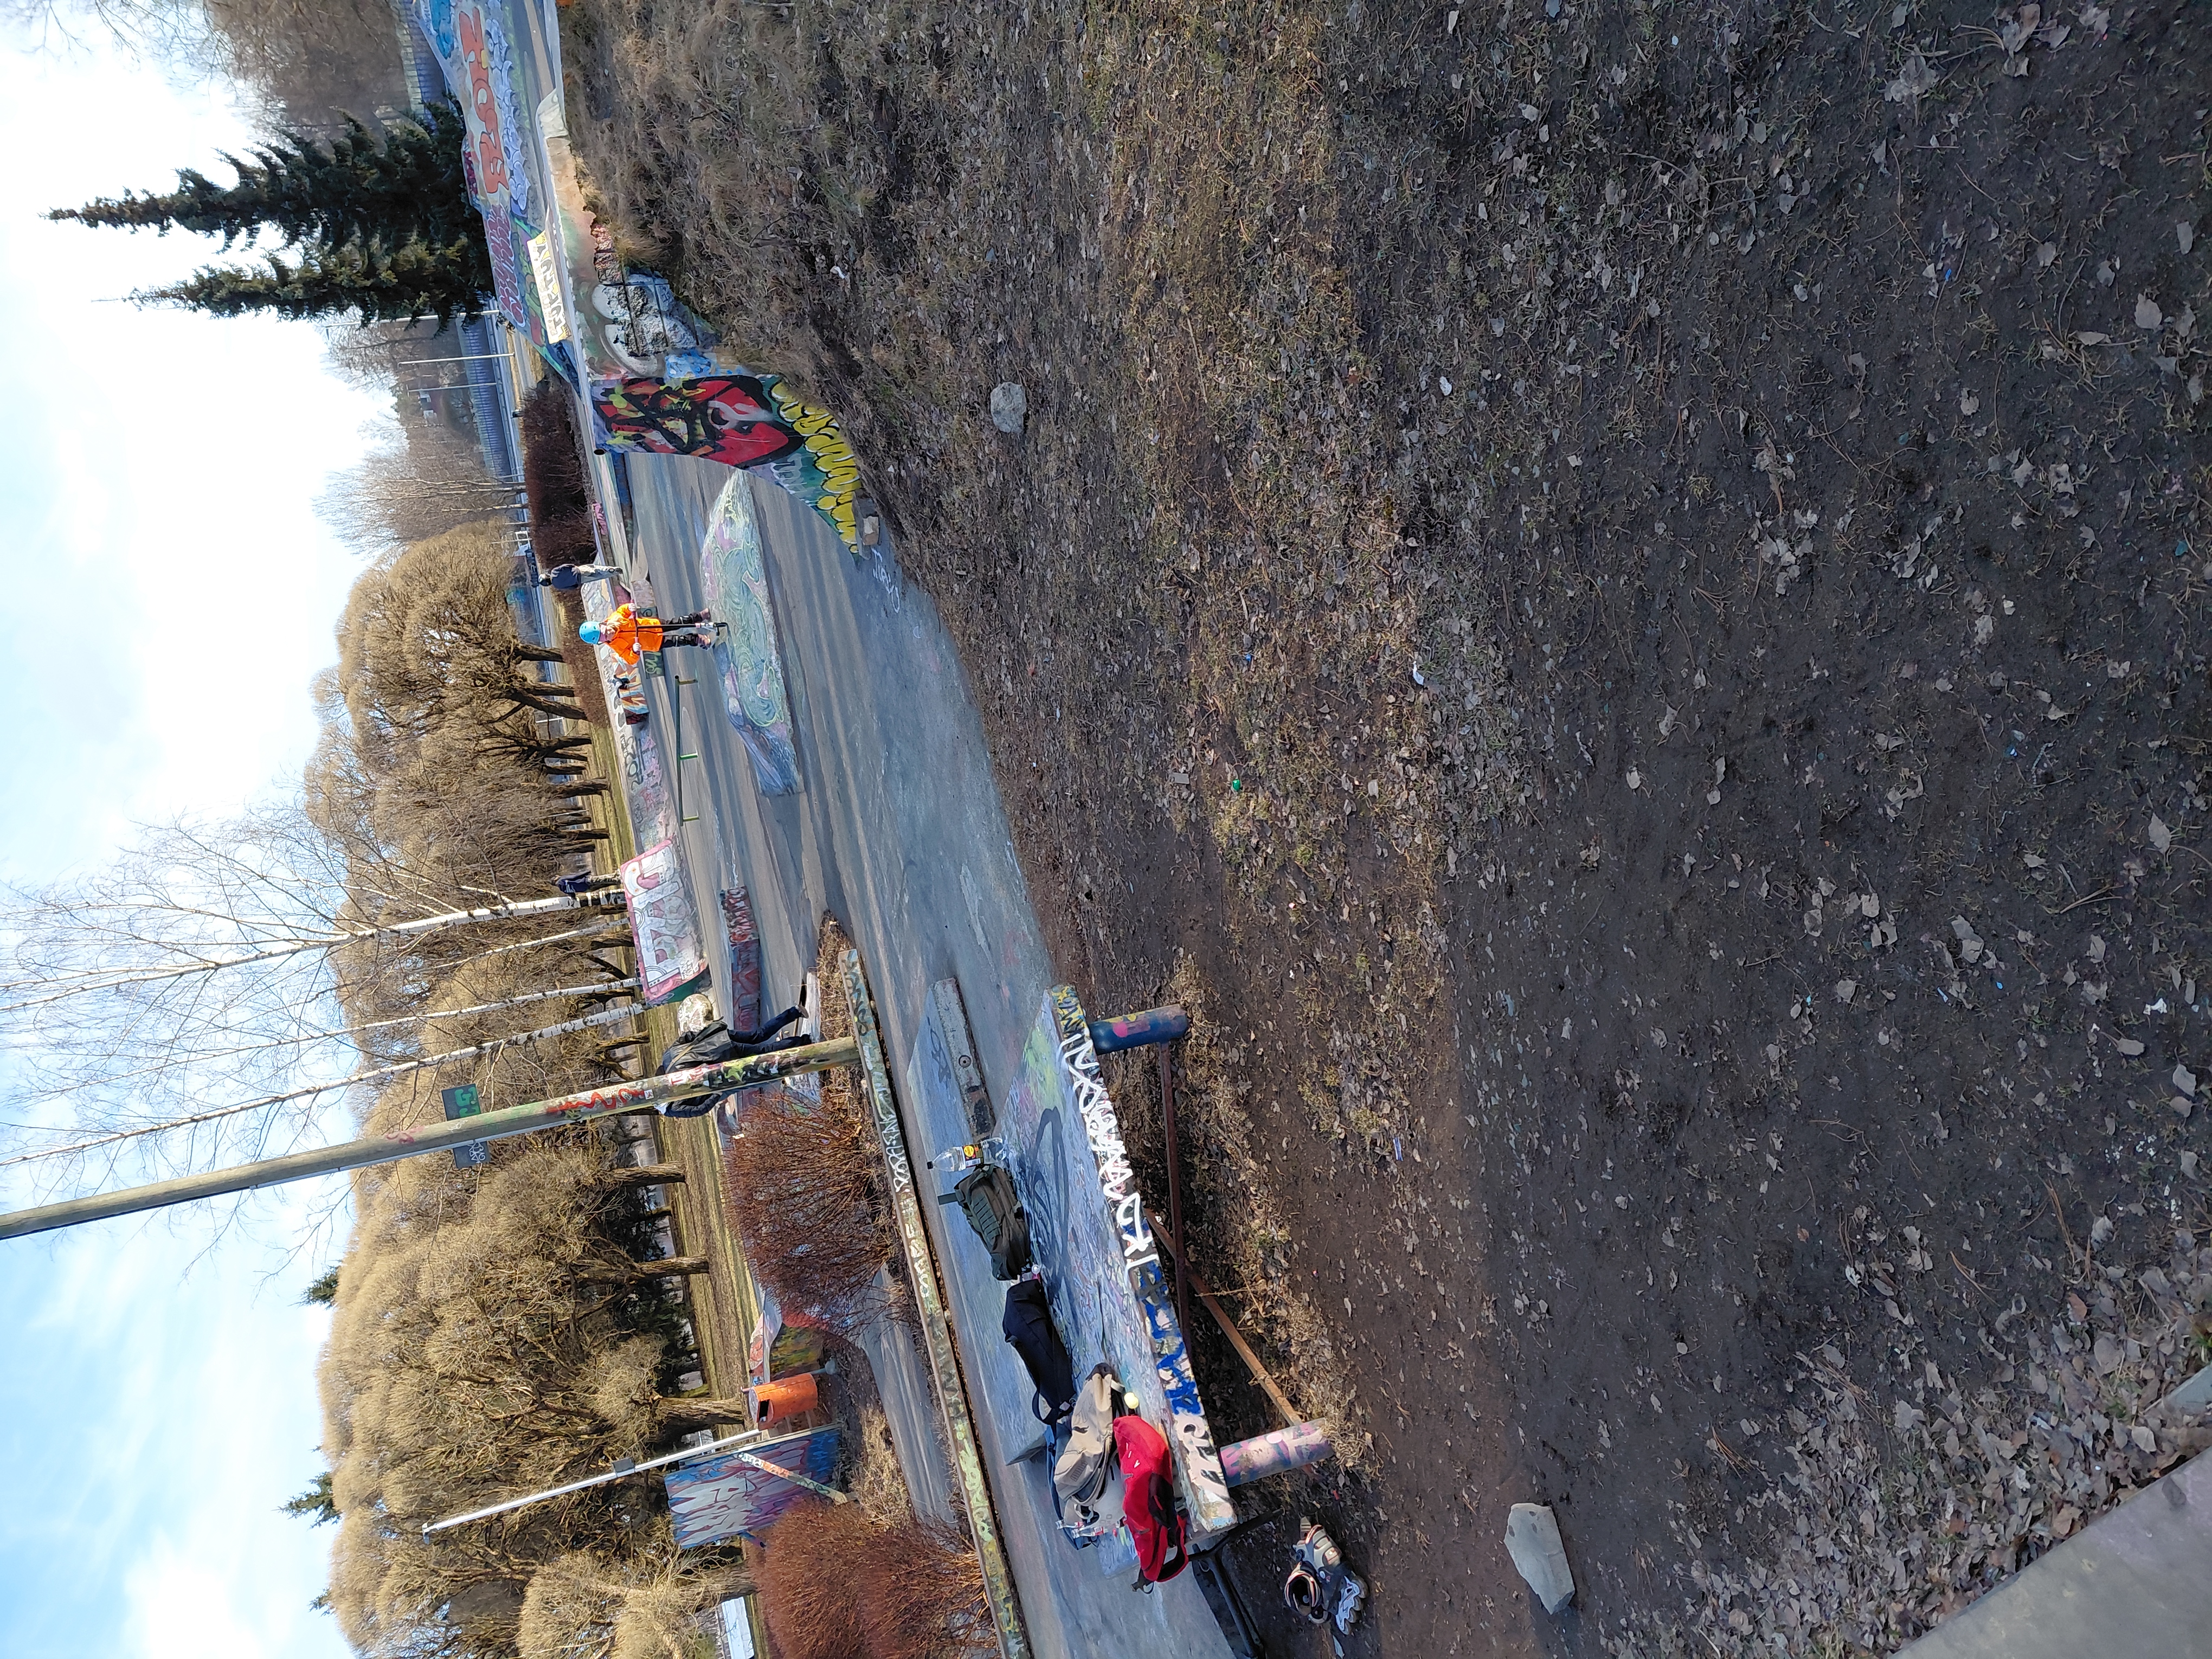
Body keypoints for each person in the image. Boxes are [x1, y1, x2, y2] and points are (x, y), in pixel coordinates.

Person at [654, 992, 812, 1118]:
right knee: (758, 1035)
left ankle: (804, 1041)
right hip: (719, 1039)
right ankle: (794, 1012)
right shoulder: (668, 1058)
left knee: (766, 1053)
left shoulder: (672, 1108)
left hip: (726, 1066)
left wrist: (717, 1092)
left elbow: (700, 1110)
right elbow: (687, 1037)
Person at [578, 602, 719, 665]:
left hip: (653, 625)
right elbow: (630, 660)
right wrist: (634, 651)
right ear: (604, 641)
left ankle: (699, 616)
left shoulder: (615, 619)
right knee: (678, 640)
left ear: (603, 624)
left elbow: (623, 610)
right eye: (606, 636)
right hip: (654, 643)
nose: (609, 632)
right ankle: (698, 639)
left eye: (606, 630)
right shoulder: (617, 646)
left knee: (678, 622)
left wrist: (629, 607)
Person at [537, 563, 621, 591]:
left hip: (580, 580)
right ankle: (609, 569)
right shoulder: (554, 572)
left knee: (599, 576)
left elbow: (570, 588)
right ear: (547, 576)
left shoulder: (557, 586)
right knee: (595, 569)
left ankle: (614, 573)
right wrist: (573, 566)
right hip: (578, 571)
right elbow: (565, 566)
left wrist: (577, 585)